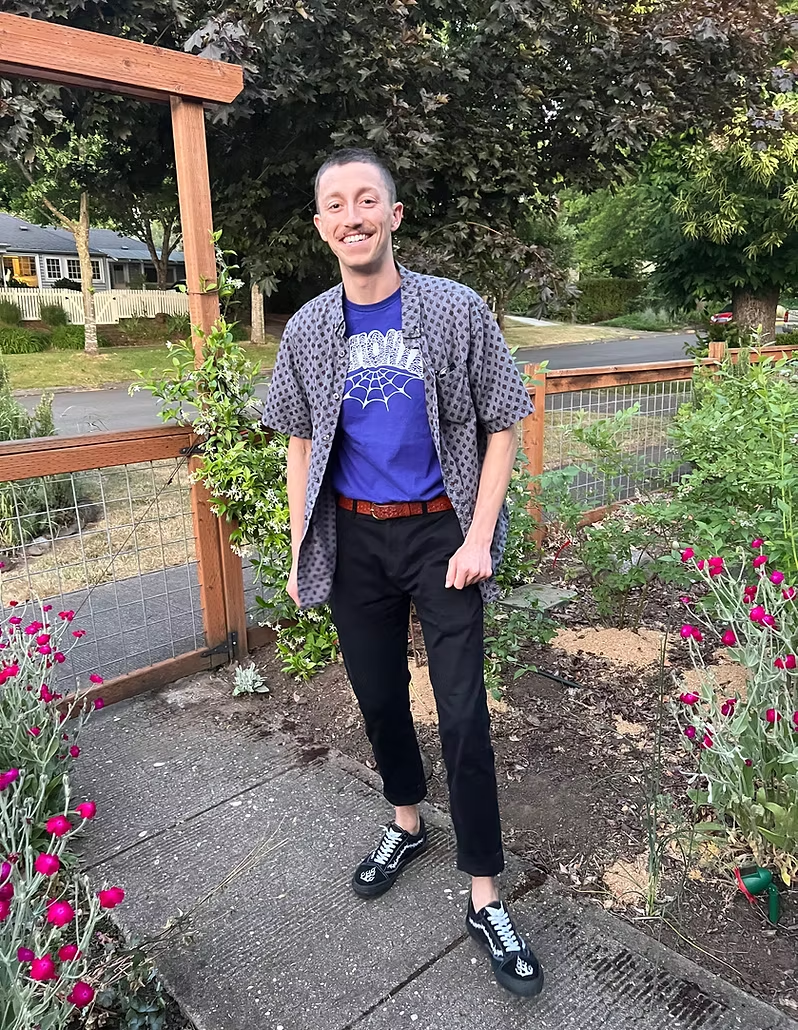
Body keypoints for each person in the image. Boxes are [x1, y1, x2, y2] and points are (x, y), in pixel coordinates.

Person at [262, 147, 544, 998]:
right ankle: (406, 820)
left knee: (462, 716)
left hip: (440, 537)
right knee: (379, 697)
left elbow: (503, 419)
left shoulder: (454, 310)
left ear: (394, 215)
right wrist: (298, 536)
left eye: (367, 201)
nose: (352, 216)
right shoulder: (311, 327)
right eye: (336, 205)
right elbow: (299, 433)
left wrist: (480, 535)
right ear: (322, 227)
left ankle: (485, 893)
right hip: (354, 542)